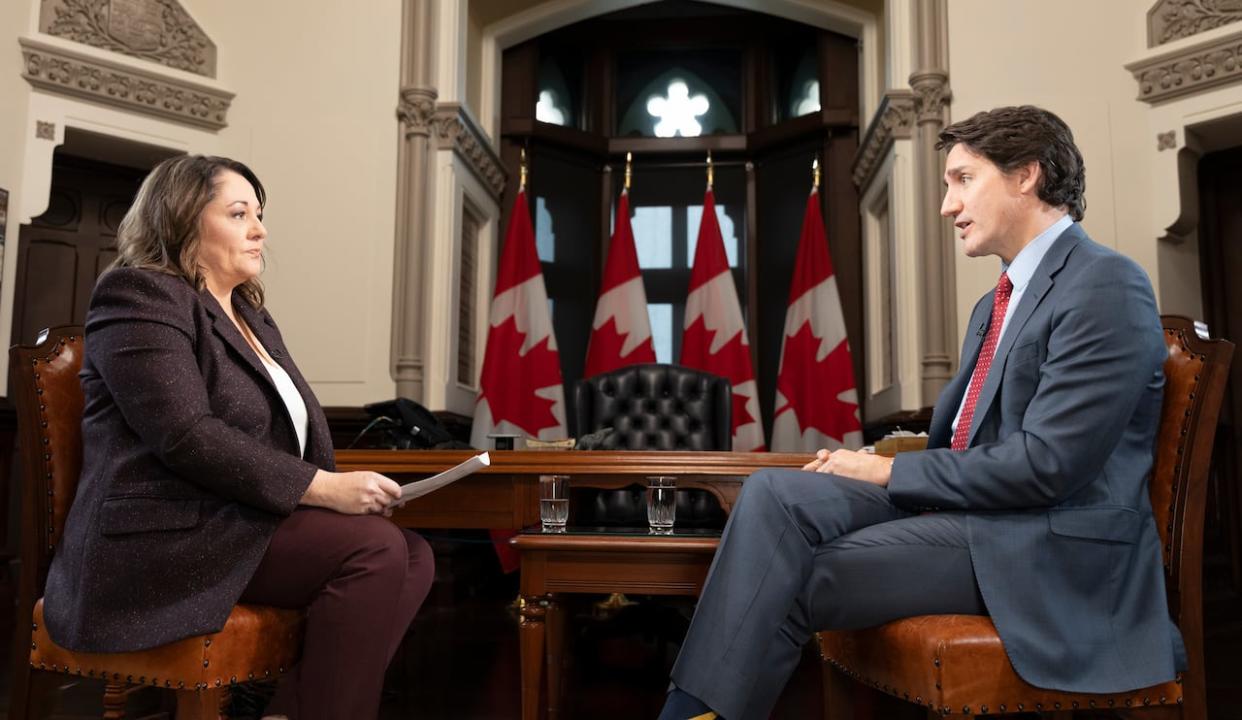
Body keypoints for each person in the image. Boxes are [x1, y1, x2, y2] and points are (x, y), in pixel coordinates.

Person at [659, 106, 1183, 720]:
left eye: (963, 179)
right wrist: (877, 465)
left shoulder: (1105, 283)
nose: (946, 204)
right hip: (975, 510)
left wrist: (885, 473)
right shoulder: (994, 303)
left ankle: (689, 714)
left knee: (787, 576)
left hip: (1042, 543)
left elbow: (1049, 464)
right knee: (773, 494)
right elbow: (966, 447)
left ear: (1026, 177)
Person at [42, 155, 434, 720]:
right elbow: (184, 434)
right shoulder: (138, 296)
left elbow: (283, 434)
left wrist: (347, 501)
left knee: (414, 555)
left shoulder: (250, 315)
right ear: (182, 220)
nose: (260, 229)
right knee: (373, 550)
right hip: (158, 543)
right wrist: (323, 490)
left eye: (259, 213)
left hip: (228, 522)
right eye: (239, 213)